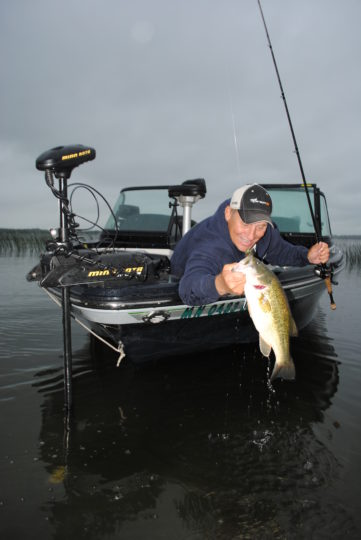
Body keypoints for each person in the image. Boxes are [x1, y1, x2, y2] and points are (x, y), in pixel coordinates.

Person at [171, 183, 330, 306]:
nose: (251, 235)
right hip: (181, 275)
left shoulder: (265, 232)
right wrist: (219, 285)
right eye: (245, 224)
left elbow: (282, 252)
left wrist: (307, 256)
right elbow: (187, 288)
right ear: (228, 213)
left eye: (260, 226)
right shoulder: (211, 245)